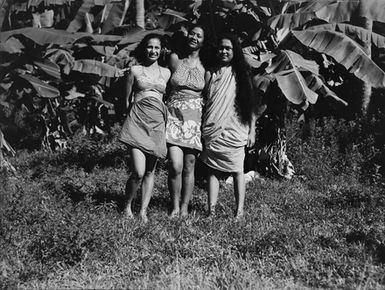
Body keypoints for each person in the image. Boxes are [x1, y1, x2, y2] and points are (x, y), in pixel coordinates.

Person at [201, 34, 256, 219]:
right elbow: (206, 101)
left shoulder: (242, 73)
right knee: (212, 170)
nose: (224, 51)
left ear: (235, 51)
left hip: (236, 127)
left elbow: (250, 104)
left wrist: (252, 131)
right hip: (213, 126)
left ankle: (239, 211)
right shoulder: (210, 72)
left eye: (228, 48)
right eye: (221, 48)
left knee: (237, 170)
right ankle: (211, 211)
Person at [119, 33, 171, 223]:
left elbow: (166, 98)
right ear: (144, 48)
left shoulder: (166, 73)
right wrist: (129, 119)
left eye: (157, 48)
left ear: (161, 50)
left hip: (157, 123)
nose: (153, 51)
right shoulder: (134, 70)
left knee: (150, 171)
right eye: (150, 47)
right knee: (138, 171)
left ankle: (143, 210)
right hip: (137, 121)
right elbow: (125, 100)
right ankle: (126, 206)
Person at [166, 24, 207, 218]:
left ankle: (184, 208)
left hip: (194, 118)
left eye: (199, 36)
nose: (194, 37)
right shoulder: (175, 59)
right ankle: (174, 206)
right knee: (175, 164)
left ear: (203, 41)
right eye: (192, 33)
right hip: (173, 115)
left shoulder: (206, 64)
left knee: (189, 165)